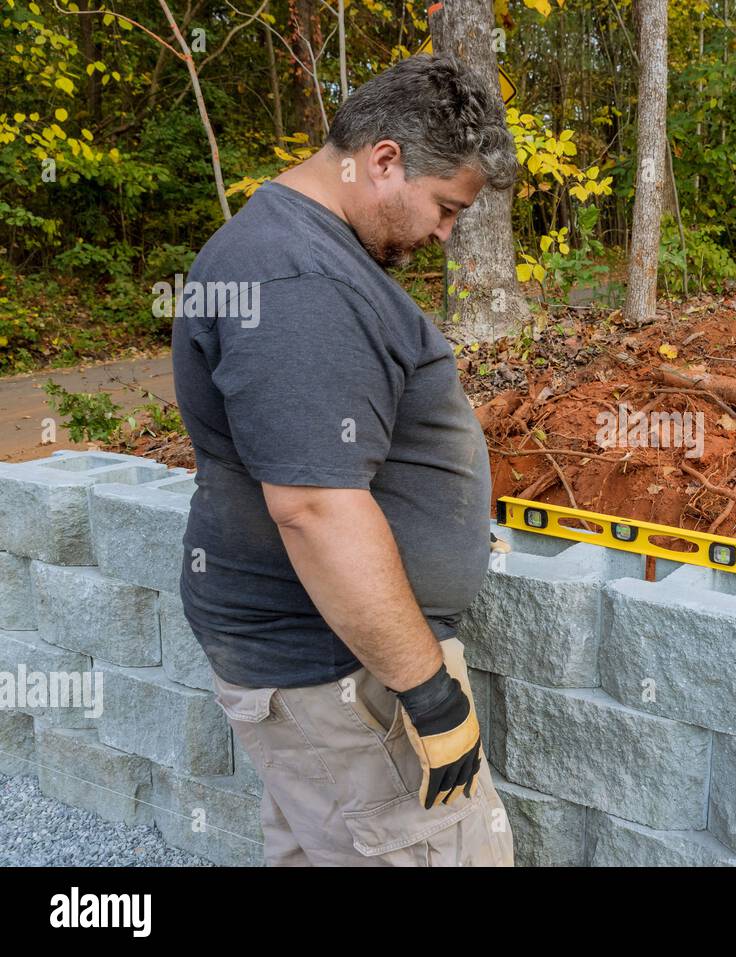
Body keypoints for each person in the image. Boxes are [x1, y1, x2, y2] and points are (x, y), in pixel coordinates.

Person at [170, 54, 515, 866]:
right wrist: (429, 695)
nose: (444, 232)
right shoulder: (300, 279)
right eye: (444, 207)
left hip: (319, 674)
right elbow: (316, 506)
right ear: (385, 158)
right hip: (343, 679)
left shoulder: (295, 249)